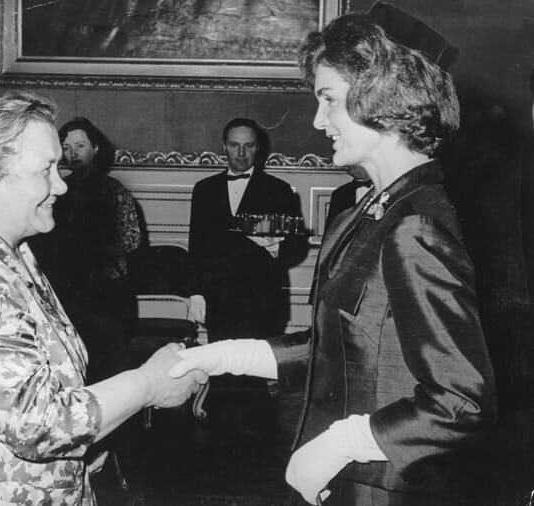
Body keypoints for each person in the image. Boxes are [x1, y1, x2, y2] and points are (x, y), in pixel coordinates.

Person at [171, 4, 497, 505]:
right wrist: (225, 356)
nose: (318, 120)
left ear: (382, 96)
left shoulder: (416, 225)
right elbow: (342, 349)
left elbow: (460, 401)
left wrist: (345, 443)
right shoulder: (368, 211)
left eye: (329, 100)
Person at [0, 92, 204, 505]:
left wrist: (75, 458)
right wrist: (150, 383)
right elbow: (42, 423)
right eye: (45, 169)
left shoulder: (13, 253)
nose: (61, 185)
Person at [30, 117, 142, 384]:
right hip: (65, 295)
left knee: (107, 371)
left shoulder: (114, 191)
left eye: (80, 146)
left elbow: (132, 241)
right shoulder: (54, 193)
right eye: (66, 148)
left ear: (96, 148)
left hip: (107, 297)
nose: (73, 153)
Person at [187, 117, 306, 341]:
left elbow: (298, 248)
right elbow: (196, 248)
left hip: (263, 305)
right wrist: (195, 294)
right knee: (221, 363)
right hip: (219, 302)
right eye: (234, 145)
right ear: (224, 146)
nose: (241, 153)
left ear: (258, 148)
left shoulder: (279, 190)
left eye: (248, 145)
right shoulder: (204, 189)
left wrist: (275, 248)